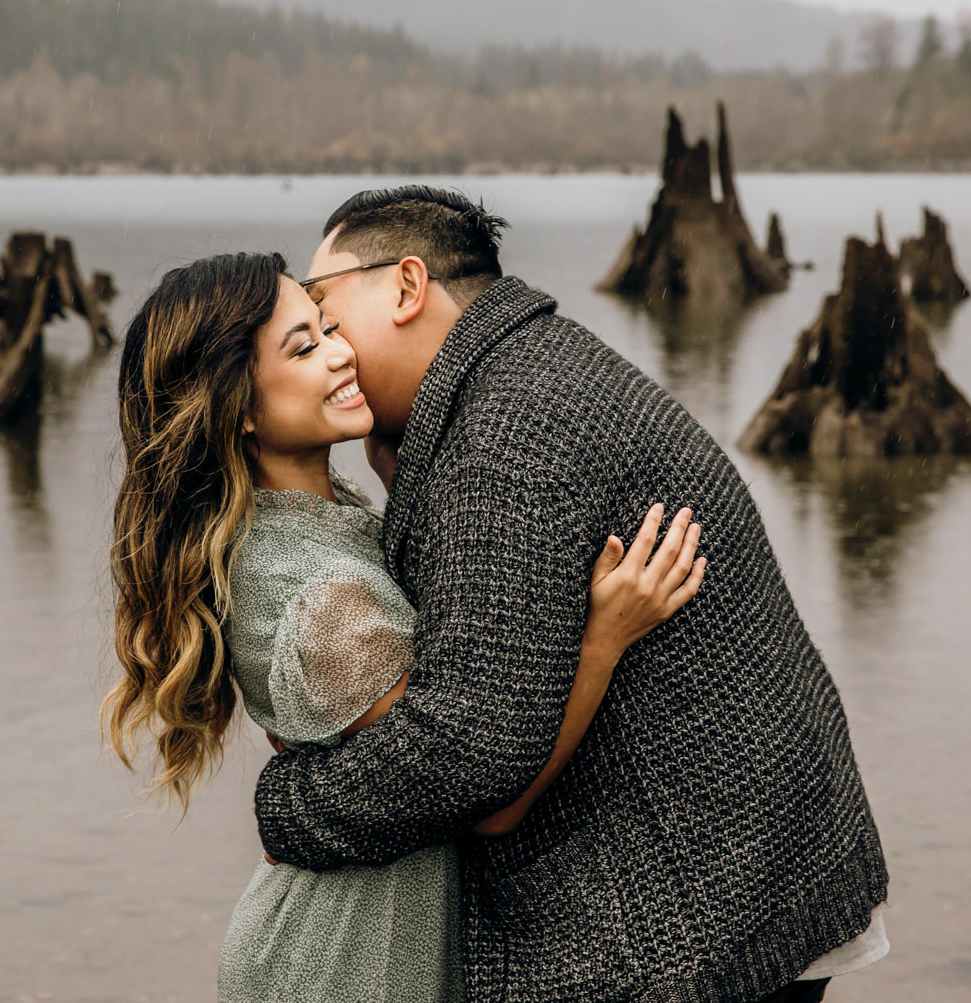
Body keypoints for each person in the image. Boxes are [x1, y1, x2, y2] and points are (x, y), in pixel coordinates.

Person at [253, 187, 890, 1003]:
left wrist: (290, 807)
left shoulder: (503, 436)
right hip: (768, 851)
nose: (331, 350)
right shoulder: (527, 365)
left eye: (326, 313)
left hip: (710, 905)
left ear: (407, 286)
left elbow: (471, 750)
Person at [103, 251, 707, 1002]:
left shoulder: (304, 521)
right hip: (344, 968)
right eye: (304, 346)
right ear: (242, 409)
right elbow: (489, 797)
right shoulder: (326, 605)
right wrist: (603, 638)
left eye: (328, 326)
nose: (340, 353)